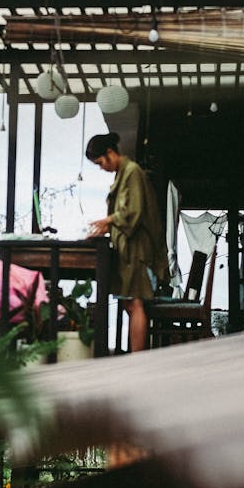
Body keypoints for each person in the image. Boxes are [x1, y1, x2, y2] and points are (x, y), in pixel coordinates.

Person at [85, 133, 169, 352]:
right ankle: (135, 354)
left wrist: (108, 220)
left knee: (135, 302)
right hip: (130, 251)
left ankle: (137, 358)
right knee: (129, 303)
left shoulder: (132, 172)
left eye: (101, 162)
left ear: (110, 153)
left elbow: (133, 211)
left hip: (138, 251)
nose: (101, 167)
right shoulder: (123, 174)